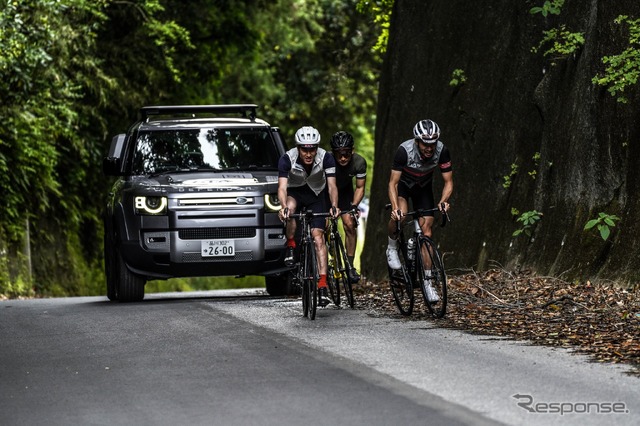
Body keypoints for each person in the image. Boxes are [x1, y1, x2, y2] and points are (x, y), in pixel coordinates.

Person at [386, 119, 453, 302]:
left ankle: (428, 282)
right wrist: (395, 209)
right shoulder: (404, 151)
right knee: (402, 214)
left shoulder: (442, 150)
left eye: (433, 143)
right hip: (404, 187)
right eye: (425, 143)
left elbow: (448, 182)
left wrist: (443, 201)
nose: (429, 148)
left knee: (427, 231)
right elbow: (393, 183)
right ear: (417, 140)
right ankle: (391, 247)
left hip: (423, 188)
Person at [278, 126, 340, 307]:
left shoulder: (326, 157)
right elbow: (282, 188)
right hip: (295, 192)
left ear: (317, 147)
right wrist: (283, 208)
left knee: (318, 238)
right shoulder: (287, 158)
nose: (309, 153)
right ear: (298, 148)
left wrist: (334, 206)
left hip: (316, 194)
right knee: (289, 210)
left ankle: (322, 286)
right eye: (304, 149)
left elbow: (332, 186)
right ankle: (290, 244)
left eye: (312, 148)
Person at [329, 131, 367, 283]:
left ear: (352, 150)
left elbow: (360, 188)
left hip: (345, 193)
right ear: (333, 153)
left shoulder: (359, 162)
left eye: (346, 154)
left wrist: (354, 206)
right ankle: (331, 251)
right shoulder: (326, 160)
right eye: (339, 154)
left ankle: (350, 267)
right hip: (326, 193)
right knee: (323, 225)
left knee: (350, 224)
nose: (343, 158)